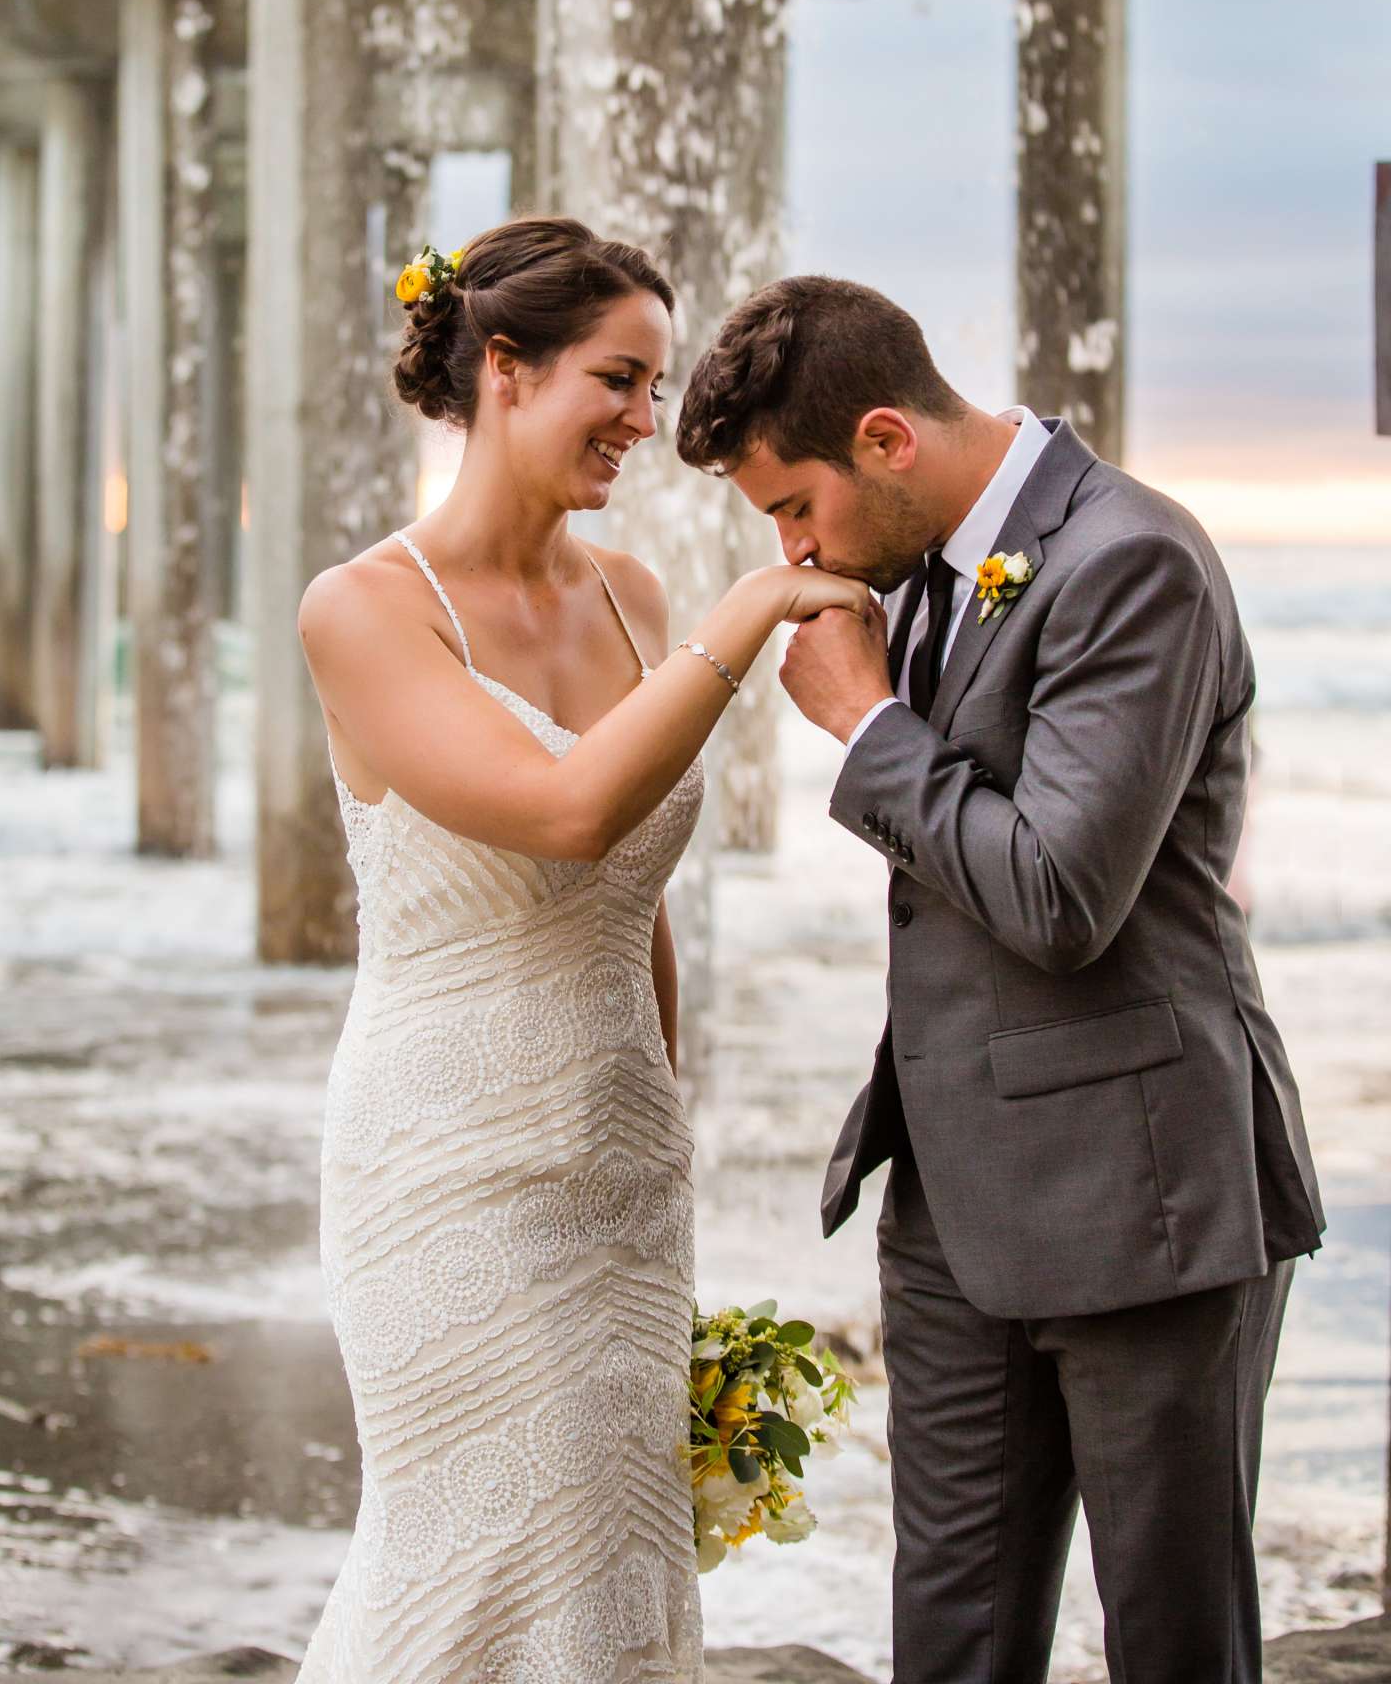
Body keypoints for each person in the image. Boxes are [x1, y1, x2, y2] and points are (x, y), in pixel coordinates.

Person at [675, 273, 1325, 1684]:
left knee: (1174, 1642)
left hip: (1150, 1198)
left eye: (797, 507)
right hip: (952, 1206)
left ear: (888, 441)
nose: (795, 550)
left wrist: (864, 729)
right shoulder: (912, 572)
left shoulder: (1132, 560)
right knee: (951, 1641)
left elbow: (1059, 894)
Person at [291, 216, 865, 1684]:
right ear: (503, 367)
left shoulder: (637, 605)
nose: (643, 420)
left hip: (620, 1170)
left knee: (615, 1560)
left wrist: (661, 1123)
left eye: (656, 387)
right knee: (469, 1556)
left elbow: (635, 897)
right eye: (619, 378)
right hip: (446, 1169)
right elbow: (564, 812)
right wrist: (749, 621)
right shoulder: (363, 611)